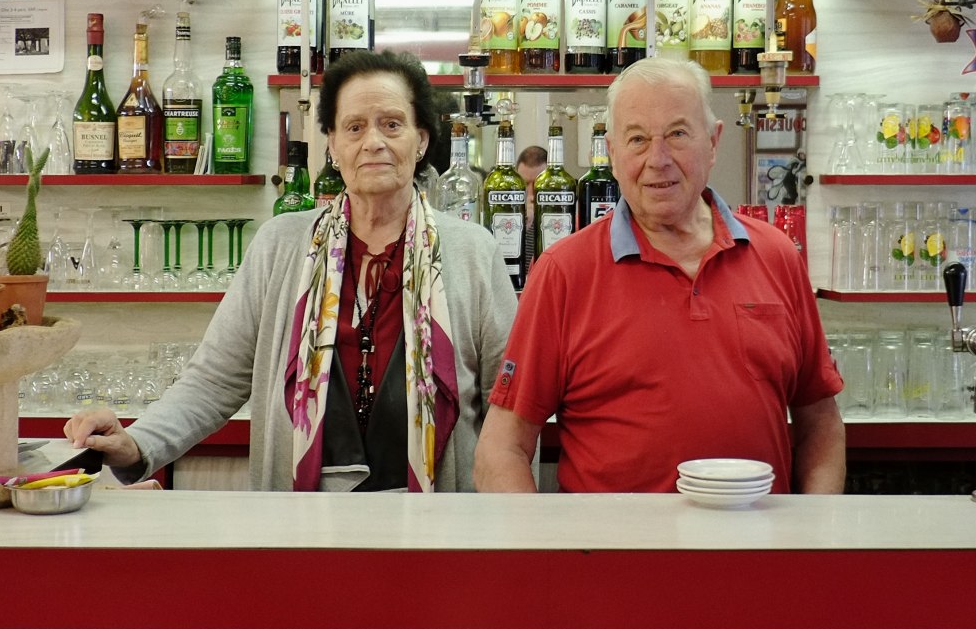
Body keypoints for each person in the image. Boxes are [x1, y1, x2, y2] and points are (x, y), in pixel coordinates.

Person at [65, 52, 517, 492]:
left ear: (420, 141)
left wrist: (501, 526)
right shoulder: (280, 244)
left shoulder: (472, 252)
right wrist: (138, 443)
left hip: (436, 528)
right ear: (333, 146)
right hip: (302, 523)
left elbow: (510, 402)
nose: (373, 141)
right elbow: (216, 379)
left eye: (392, 124)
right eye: (354, 127)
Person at [475, 56, 845, 494]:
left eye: (677, 134)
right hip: (611, 557)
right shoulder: (564, 272)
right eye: (637, 139)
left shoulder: (777, 256)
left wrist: (814, 539)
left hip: (760, 553)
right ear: (611, 154)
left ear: (713, 141)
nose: (658, 159)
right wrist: (545, 557)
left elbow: (820, 423)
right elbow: (502, 447)